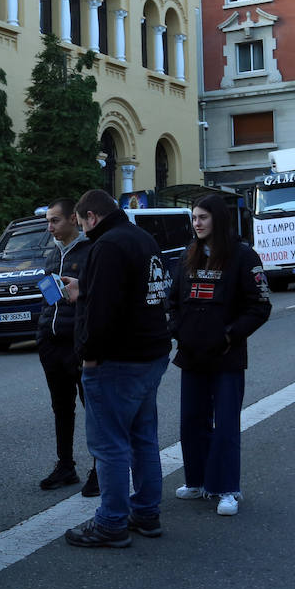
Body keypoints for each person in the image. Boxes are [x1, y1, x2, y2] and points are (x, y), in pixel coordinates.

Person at [64, 188, 171, 549]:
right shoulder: (141, 238)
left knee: (109, 445)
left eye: (82, 224)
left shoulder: (106, 246)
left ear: (91, 217)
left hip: (117, 360)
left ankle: (111, 522)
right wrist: (85, 287)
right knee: (143, 439)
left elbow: (104, 311)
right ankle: (146, 512)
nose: (82, 232)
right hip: (151, 353)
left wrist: (89, 355)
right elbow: (134, 291)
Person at [169, 195, 272, 516]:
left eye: (202, 217)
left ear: (218, 219)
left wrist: (229, 334)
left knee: (225, 424)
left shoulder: (243, 255)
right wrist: (177, 329)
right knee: (192, 421)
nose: (196, 223)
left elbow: (260, 305)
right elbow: (172, 300)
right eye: (194, 218)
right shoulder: (189, 255)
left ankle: (227, 489)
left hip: (226, 357)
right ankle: (197, 481)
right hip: (192, 355)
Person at [35, 198, 97, 495]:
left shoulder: (91, 251)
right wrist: (43, 333)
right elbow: (47, 297)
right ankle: (65, 465)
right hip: (52, 342)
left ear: (74, 219)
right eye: (48, 221)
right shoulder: (52, 254)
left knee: (93, 408)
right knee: (61, 406)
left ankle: (100, 468)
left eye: (55, 221)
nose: (50, 228)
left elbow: (98, 296)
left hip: (78, 343)